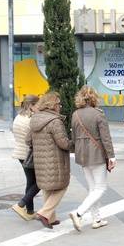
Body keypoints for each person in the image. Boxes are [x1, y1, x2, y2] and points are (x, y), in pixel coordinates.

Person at [68, 86, 116, 231]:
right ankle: (78, 213)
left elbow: (74, 137)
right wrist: (111, 156)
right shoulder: (98, 114)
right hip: (96, 154)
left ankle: (97, 219)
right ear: (94, 97)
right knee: (100, 188)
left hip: (82, 154)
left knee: (92, 188)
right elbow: (105, 137)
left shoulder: (75, 114)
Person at [26, 91, 73, 229]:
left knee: (48, 187)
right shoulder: (55, 121)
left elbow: (27, 140)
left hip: (40, 162)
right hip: (55, 161)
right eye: (59, 103)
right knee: (62, 186)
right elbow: (63, 143)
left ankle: (51, 218)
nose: (60, 106)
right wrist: (73, 143)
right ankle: (44, 213)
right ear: (52, 105)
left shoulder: (35, 119)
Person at [10, 94, 40, 221]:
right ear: (31, 106)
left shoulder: (18, 117)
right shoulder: (30, 120)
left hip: (20, 153)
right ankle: (21, 204)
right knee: (41, 182)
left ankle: (30, 211)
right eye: (37, 105)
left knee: (31, 181)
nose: (39, 108)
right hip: (29, 154)